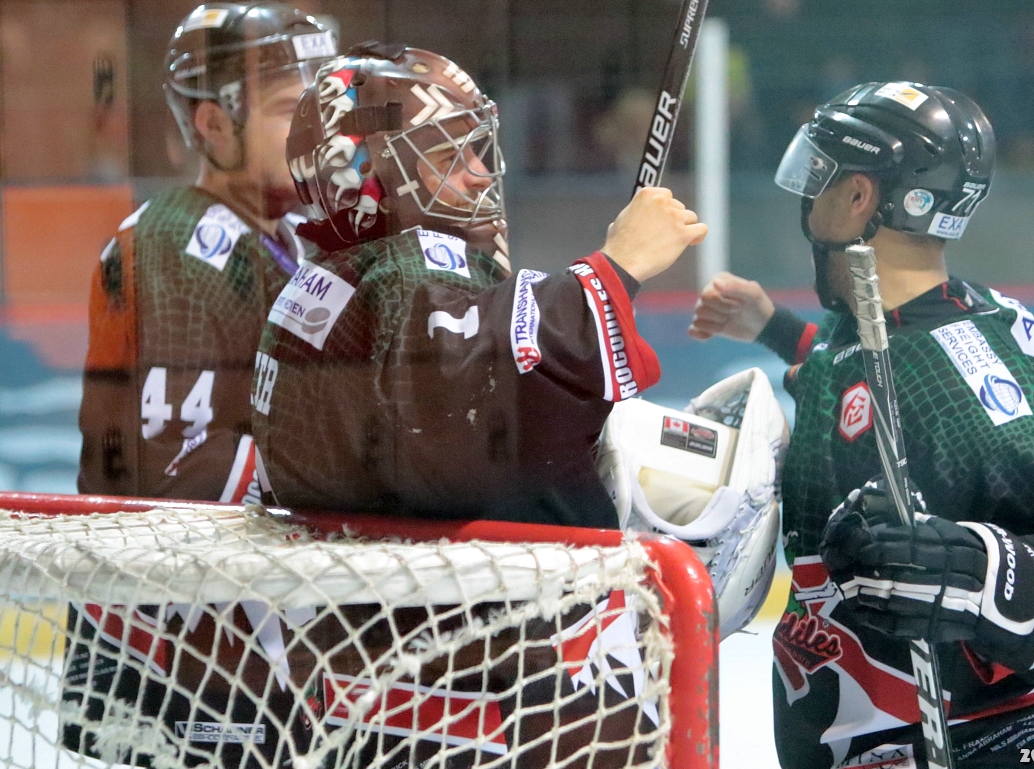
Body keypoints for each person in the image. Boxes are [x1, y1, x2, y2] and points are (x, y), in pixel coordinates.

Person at [689, 82, 1034, 769]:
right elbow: (861, 377)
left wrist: (980, 573)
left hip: (963, 752)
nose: (806, 199)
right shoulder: (873, 328)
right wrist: (773, 327)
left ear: (858, 196)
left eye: (820, 176)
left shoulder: (966, 377)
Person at [251, 42, 706, 527]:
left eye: (475, 149)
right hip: (455, 575)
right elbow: (477, 405)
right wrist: (617, 265)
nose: (481, 174)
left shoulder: (329, 271)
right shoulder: (403, 271)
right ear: (371, 174)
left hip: (365, 564)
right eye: (450, 156)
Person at [76, 0, 336, 502]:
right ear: (214, 125)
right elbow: (176, 472)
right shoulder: (174, 246)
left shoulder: (286, 233)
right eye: (291, 111)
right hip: (178, 551)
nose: (320, 132)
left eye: (322, 109)